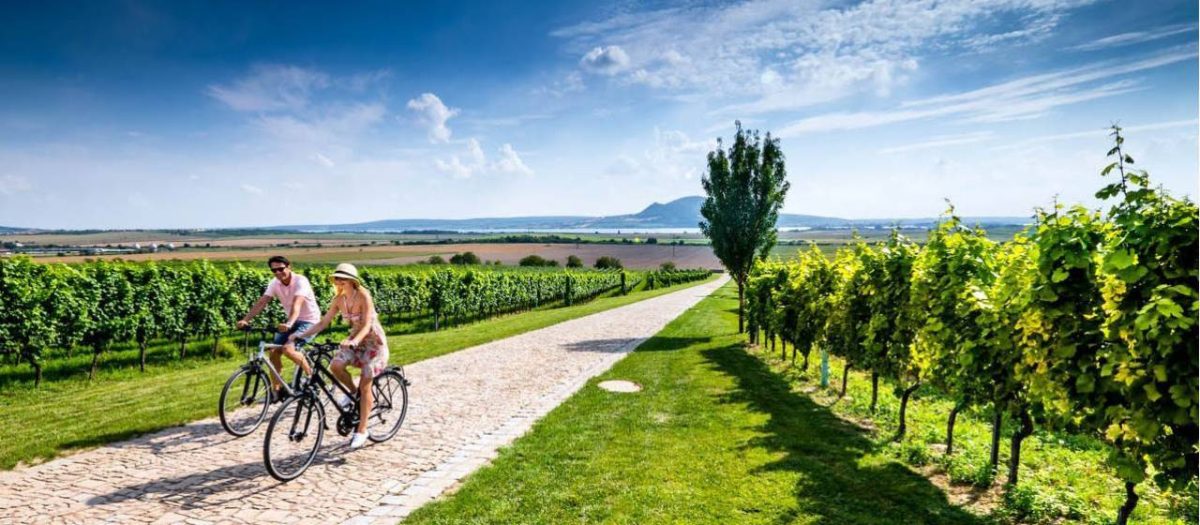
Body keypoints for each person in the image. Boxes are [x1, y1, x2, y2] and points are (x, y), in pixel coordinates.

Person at [288, 263, 389, 449]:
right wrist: (300, 335)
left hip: (373, 343)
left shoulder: (363, 296)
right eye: (337, 278)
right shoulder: (338, 300)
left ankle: (362, 430)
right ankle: (352, 392)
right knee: (335, 365)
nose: (339, 280)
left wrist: (355, 340)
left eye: (343, 277)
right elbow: (323, 323)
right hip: (353, 340)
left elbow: (366, 324)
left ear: (352, 280)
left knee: (366, 382)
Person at [236, 255, 320, 402]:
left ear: (289, 266)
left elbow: (297, 304)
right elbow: (262, 302)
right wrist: (245, 319)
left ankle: (312, 378)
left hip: (309, 321)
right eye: (274, 270)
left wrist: (289, 323)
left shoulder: (301, 281)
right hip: (291, 321)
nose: (278, 273)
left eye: (281, 269)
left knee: (288, 349)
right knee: (273, 352)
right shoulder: (275, 283)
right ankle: (276, 391)